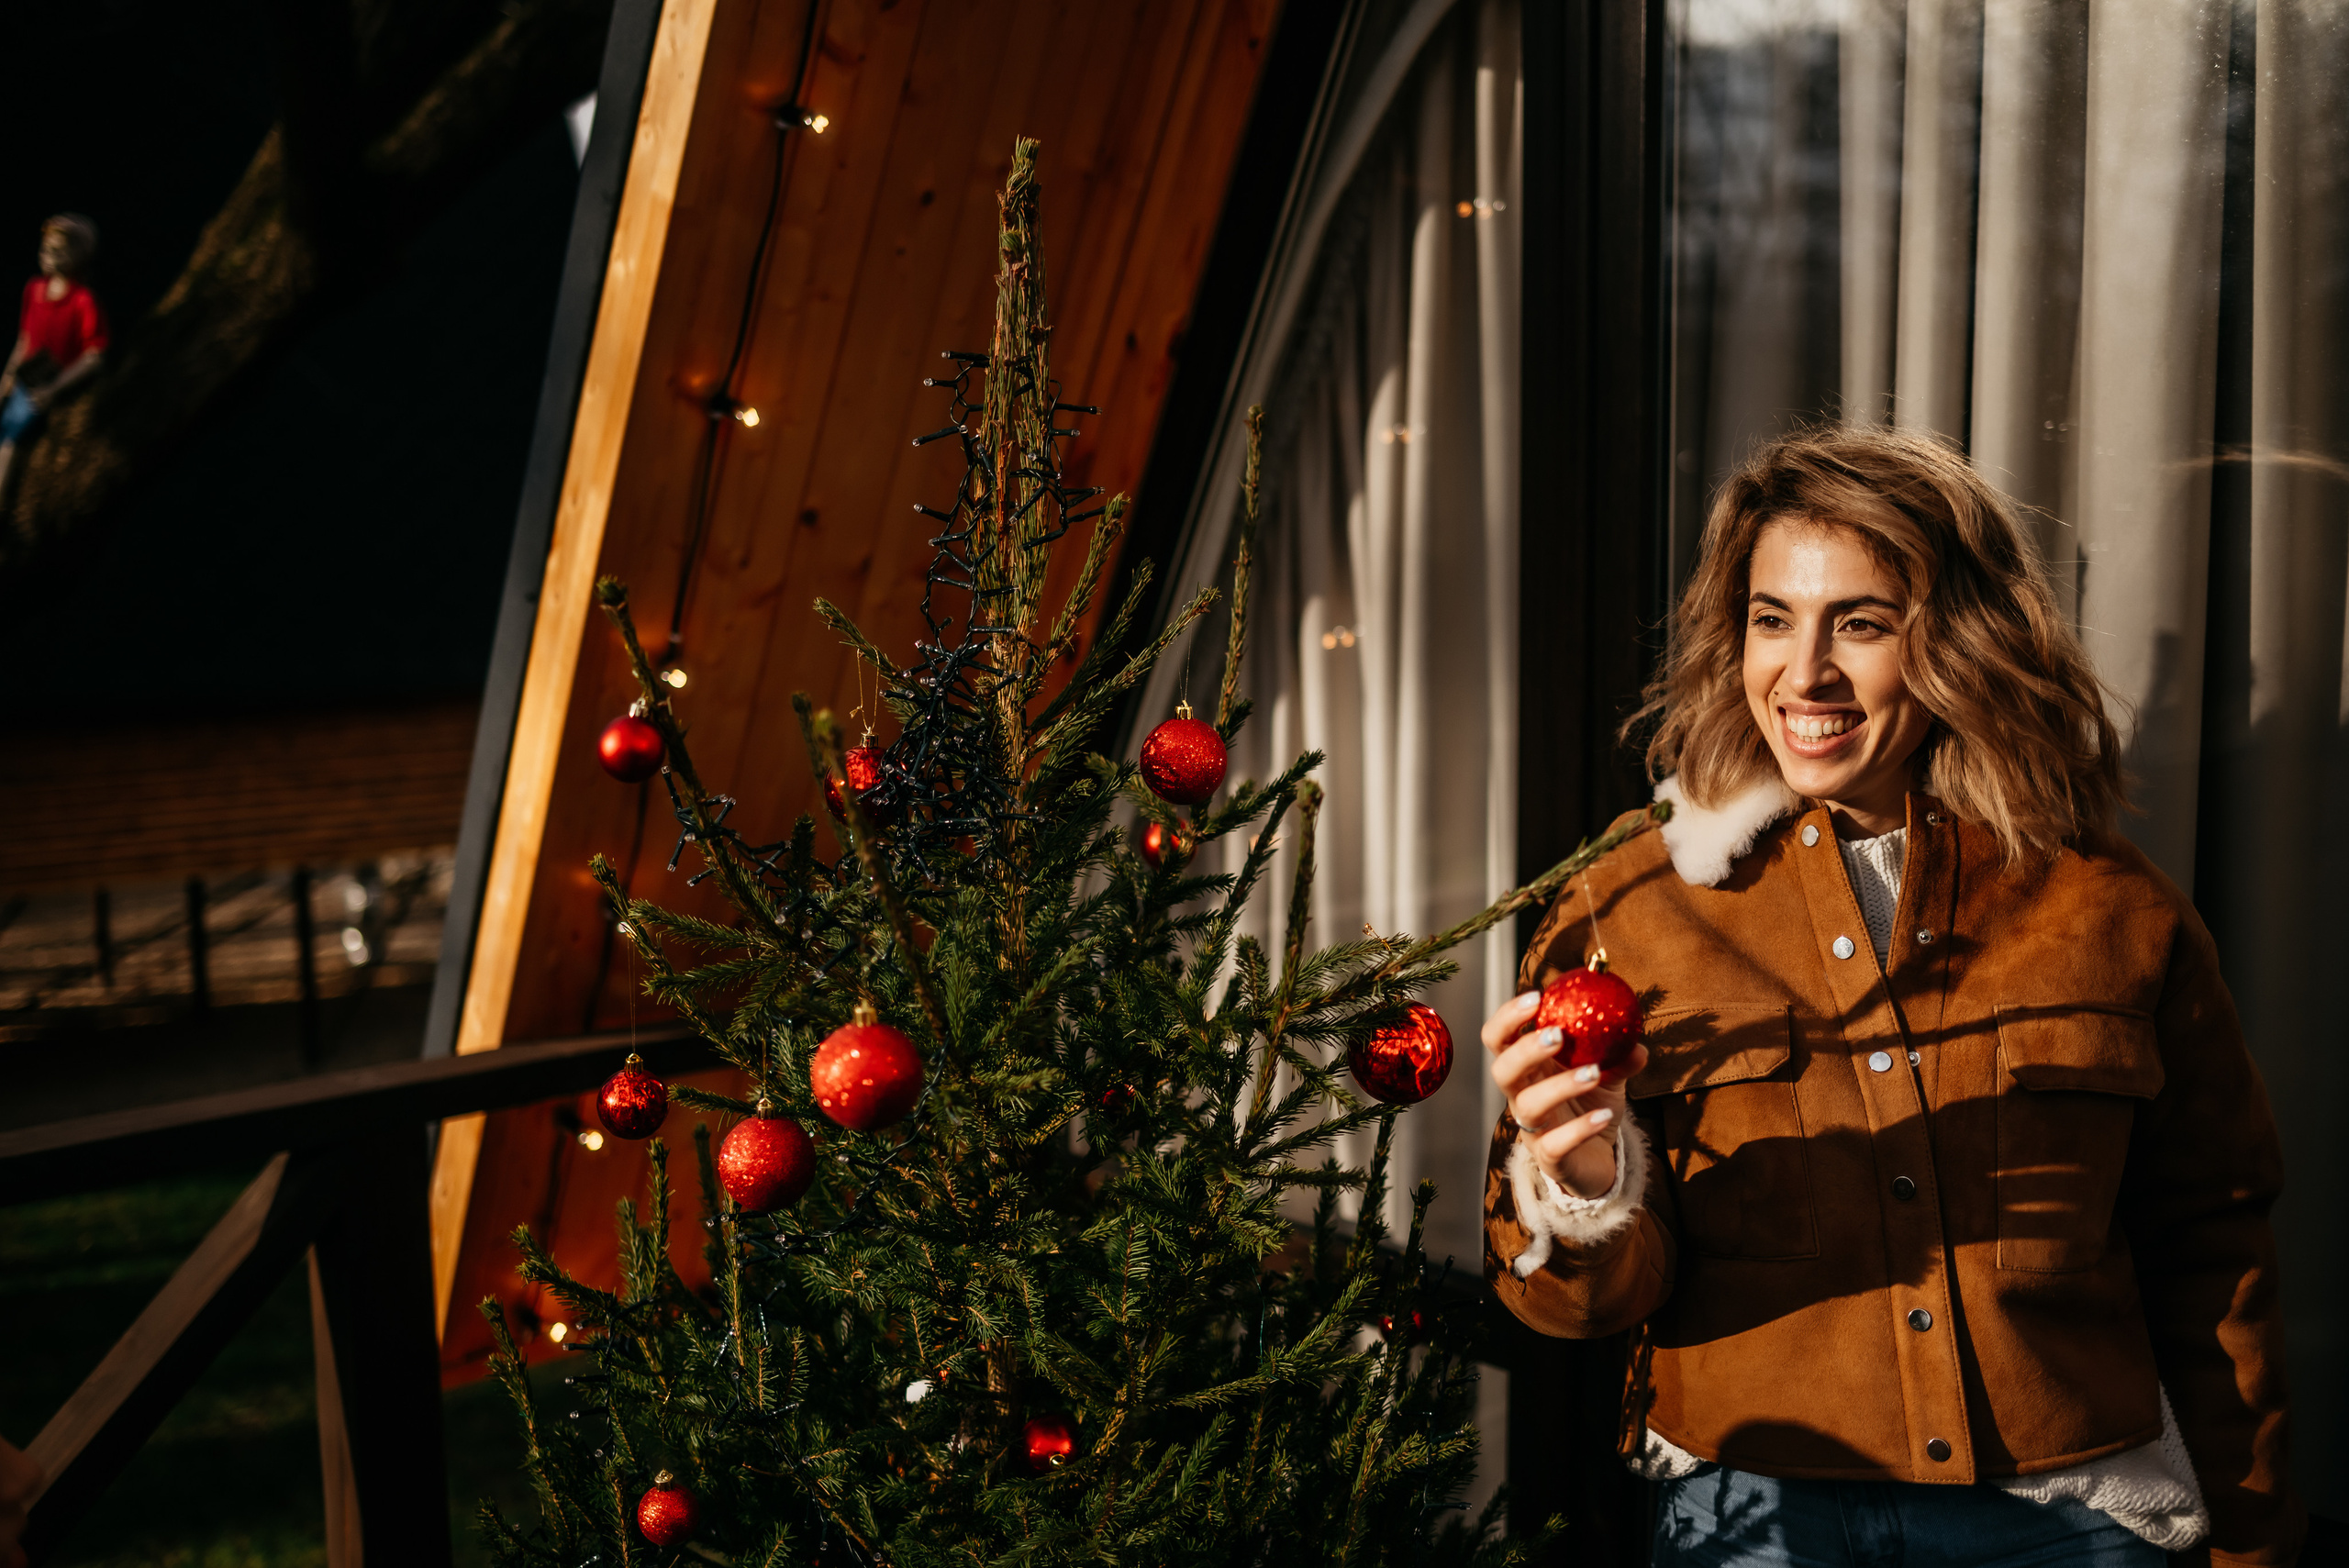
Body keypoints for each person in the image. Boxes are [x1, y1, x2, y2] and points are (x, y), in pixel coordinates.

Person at [1482, 427, 2298, 1566]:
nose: (1802, 672)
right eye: (1772, 617)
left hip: (2068, 1528)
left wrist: (2251, 1540)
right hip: (1754, 1523)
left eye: (1859, 622)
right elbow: (1570, 1306)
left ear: (1958, 641)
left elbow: (2212, 1247)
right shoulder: (1629, 902)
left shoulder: (2111, 908)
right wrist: (1579, 1191)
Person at [0, 213, 108, 505]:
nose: (47, 256)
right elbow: (24, 339)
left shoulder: (83, 301)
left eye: (57, 251)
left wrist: (55, 388)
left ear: (78, 255)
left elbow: (94, 355)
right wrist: (8, 376)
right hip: (27, 378)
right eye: (46, 249)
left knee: (9, 442)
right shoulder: (34, 290)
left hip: (50, 385)